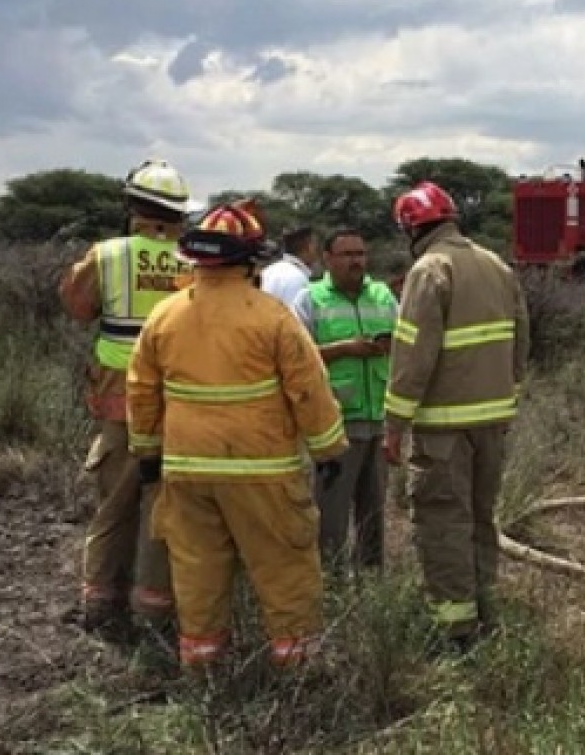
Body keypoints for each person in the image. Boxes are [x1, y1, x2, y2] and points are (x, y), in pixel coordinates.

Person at [128, 204, 347, 670]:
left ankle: (205, 673)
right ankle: (299, 675)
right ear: (250, 260)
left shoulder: (164, 317)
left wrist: (147, 454)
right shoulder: (273, 318)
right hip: (263, 475)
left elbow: (141, 392)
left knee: (197, 574)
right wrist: (329, 449)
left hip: (186, 473)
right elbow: (309, 389)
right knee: (284, 569)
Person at [383, 181, 530, 656]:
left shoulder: (430, 270)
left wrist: (394, 424)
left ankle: (453, 632)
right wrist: (507, 393)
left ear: (410, 228)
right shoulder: (496, 265)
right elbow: (521, 341)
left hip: (443, 428)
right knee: (480, 519)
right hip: (493, 422)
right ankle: (485, 611)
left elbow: (412, 355)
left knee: (443, 522)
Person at [57, 159, 195, 636]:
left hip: (118, 402)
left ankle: (101, 604)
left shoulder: (108, 255)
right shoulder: (195, 263)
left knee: (114, 505)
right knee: (162, 507)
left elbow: (77, 306)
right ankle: (155, 609)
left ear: (133, 206)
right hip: (177, 405)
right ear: (179, 213)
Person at [292, 230, 397, 572]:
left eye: (361, 253)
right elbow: (296, 359)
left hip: (378, 420)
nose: (357, 261)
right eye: (347, 254)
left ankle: (370, 580)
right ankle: (331, 582)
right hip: (335, 427)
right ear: (327, 258)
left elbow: (408, 342)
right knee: (331, 516)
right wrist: (345, 349)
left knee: (374, 512)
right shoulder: (310, 300)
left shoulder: (382, 296)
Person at [260, 226, 323, 309]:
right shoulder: (298, 279)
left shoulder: (268, 270)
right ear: (309, 247)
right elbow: (293, 318)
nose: (318, 249)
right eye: (316, 244)